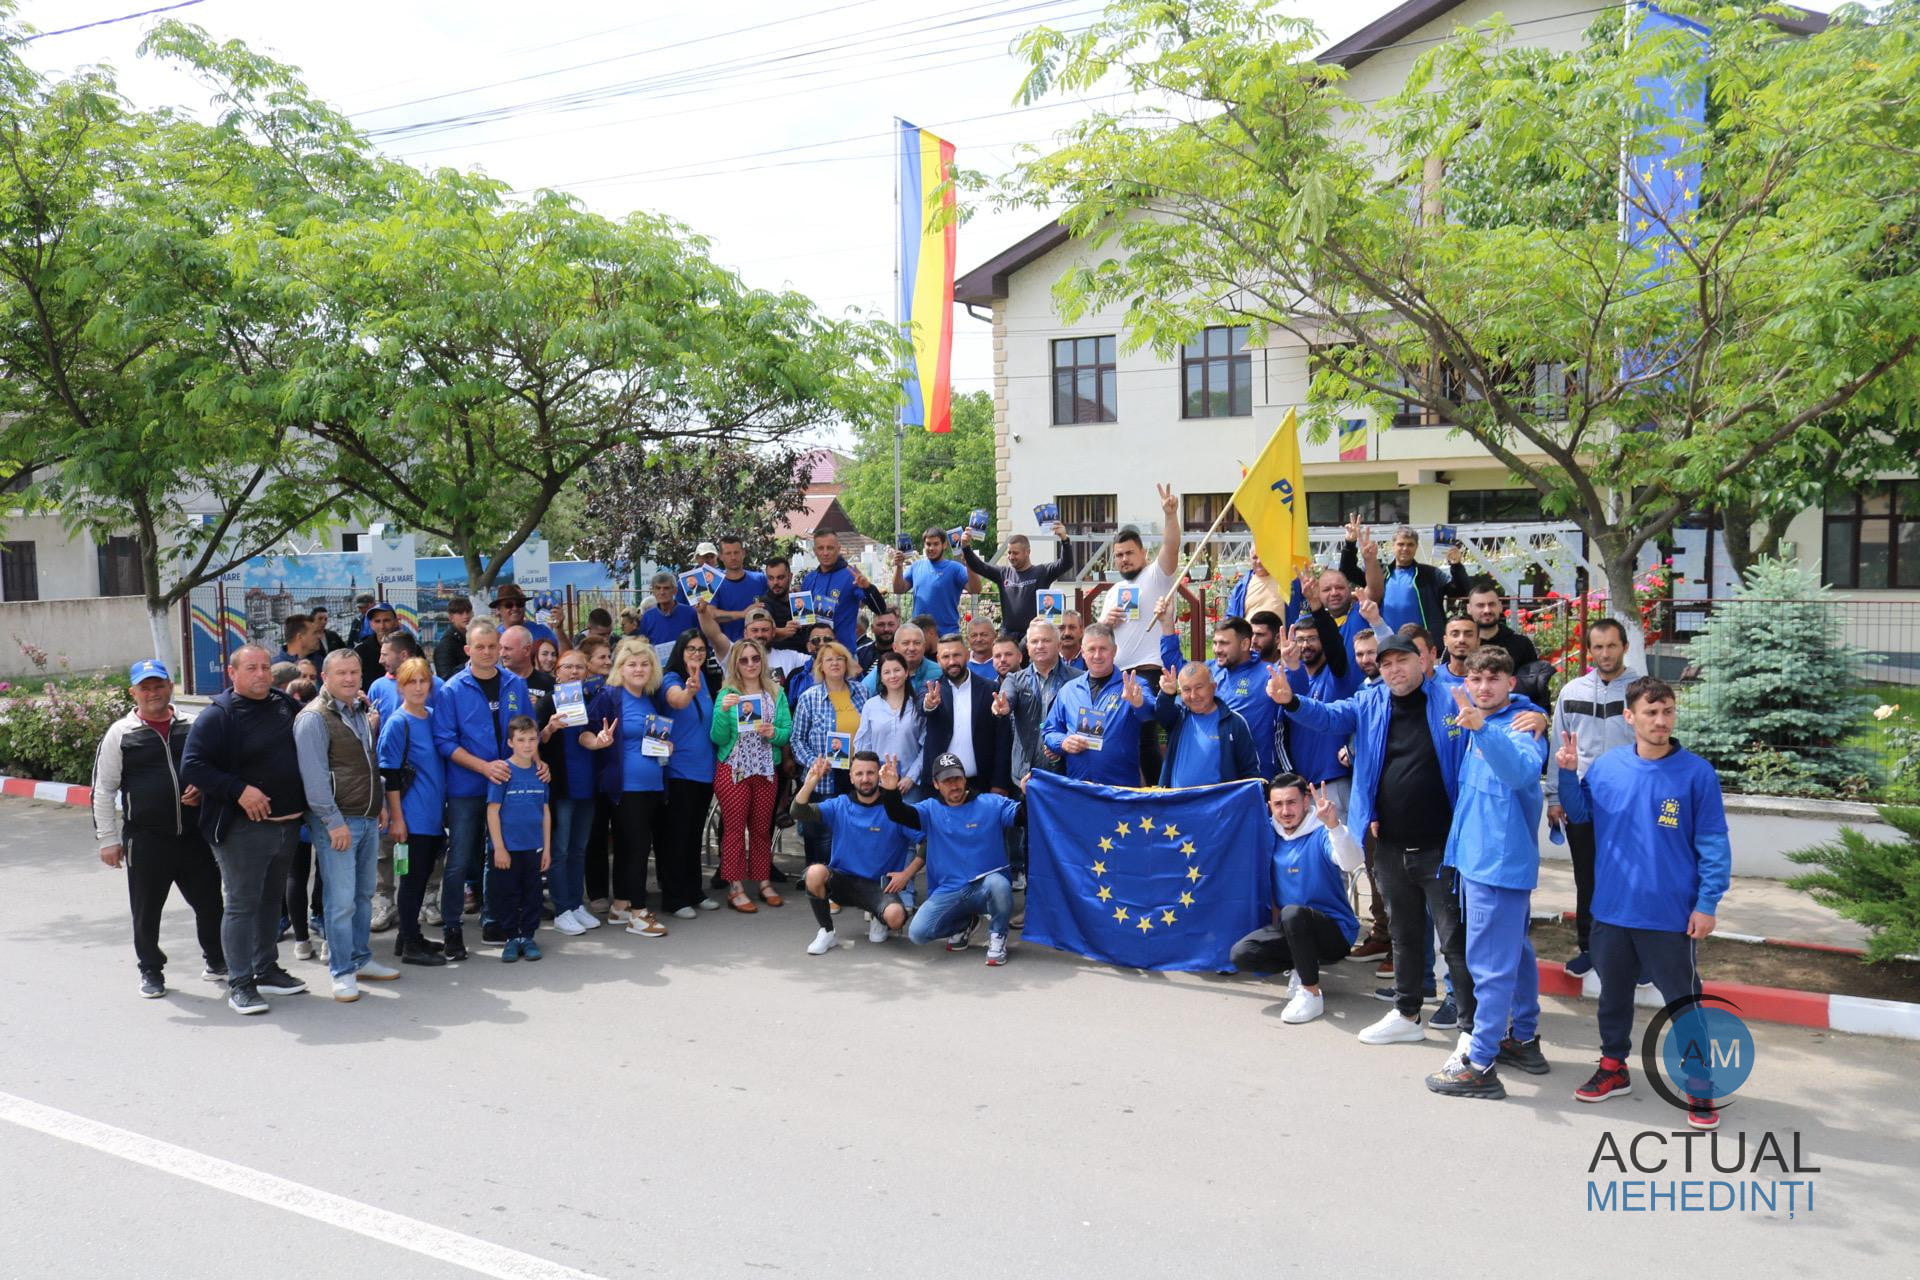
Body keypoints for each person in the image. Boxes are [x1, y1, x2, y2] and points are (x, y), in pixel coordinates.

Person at [1270, 633, 1472, 1047]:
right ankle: (1407, 1013)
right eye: (1386, 664)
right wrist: (1291, 701)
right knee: (1404, 933)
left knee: (1453, 938)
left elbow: (1501, 706)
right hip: (1390, 841)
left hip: (1443, 844)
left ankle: (1471, 1029)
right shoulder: (1369, 702)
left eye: (1402, 661)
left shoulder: (1452, 699)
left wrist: (1536, 717)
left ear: (1423, 660)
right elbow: (1326, 716)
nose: (1394, 670)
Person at [1558, 677, 1730, 1129]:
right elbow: (1580, 816)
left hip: (1670, 914)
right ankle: (1614, 1068)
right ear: (1629, 717)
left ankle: (1699, 1082)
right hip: (1611, 911)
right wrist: (1567, 771)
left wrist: (1707, 903)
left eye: (1667, 711)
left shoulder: (1697, 773)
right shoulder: (1609, 767)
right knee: (1612, 997)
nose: (1660, 720)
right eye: (1651, 713)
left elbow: (1714, 844)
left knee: (1683, 1001)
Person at [1425, 650, 1553, 1100]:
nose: (1482, 687)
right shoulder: (1481, 715)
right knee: (1514, 955)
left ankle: (1479, 1063)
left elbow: (1520, 772)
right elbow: (1415, 673)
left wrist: (1483, 728)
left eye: (1493, 679)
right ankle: (1523, 1037)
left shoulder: (1519, 725)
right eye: (1476, 678)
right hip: (1481, 863)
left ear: (1511, 684)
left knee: (1489, 967)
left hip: (1497, 868)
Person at [181, 645, 311, 1016]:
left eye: (265, 667)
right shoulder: (219, 716)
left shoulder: (283, 704)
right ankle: (240, 982)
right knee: (241, 905)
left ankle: (265, 967)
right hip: (243, 829)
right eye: (251, 668)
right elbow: (193, 766)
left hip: (286, 826)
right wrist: (239, 790)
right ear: (232, 673)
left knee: (271, 901)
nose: (260, 674)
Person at [92, 659, 226, 999]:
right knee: (147, 910)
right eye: (145, 687)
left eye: (158, 685)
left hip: (195, 836)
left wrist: (205, 787)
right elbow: (104, 789)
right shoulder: (121, 734)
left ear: (170, 687)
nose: (152, 693)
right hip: (147, 838)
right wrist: (108, 840)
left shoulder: (193, 725)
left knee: (211, 905)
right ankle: (151, 970)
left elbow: (217, 768)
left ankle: (217, 960)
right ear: (133, 692)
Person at [294, 648, 399, 1003]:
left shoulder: (359, 711)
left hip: (367, 817)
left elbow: (368, 764)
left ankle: (360, 958)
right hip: (338, 822)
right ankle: (342, 971)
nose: (350, 679)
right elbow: (314, 779)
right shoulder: (313, 718)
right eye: (342, 673)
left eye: (354, 672)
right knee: (340, 903)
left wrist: (380, 804)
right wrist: (331, 822)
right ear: (325, 677)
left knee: (363, 895)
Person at [432, 618, 537, 962]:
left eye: (493, 646)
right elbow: (445, 741)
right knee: (460, 857)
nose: (488, 652)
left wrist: (535, 761)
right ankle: (452, 928)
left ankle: (495, 920)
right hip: (467, 786)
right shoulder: (451, 689)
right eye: (480, 646)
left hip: (506, 784)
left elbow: (525, 731)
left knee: (499, 854)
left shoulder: (514, 684)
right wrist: (483, 767)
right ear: (467, 650)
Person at [1546, 618, 1642, 977]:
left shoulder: (1640, 690)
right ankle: (1589, 948)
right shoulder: (1572, 691)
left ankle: (1635, 953)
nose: (1605, 653)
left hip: (1629, 803)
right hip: (1581, 799)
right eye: (1598, 647)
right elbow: (1559, 745)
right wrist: (1555, 797)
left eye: (1611, 646)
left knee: (1631, 878)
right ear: (1589, 651)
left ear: (1624, 647)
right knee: (1587, 878)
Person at [1228, 775, 1363, 1025]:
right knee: (1241, 954)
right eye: (1278, 804)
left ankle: (1311, 992)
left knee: (1293, 913)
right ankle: (1301, 967)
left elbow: (1352, 862)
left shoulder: (1322, 831)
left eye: (1292, 802)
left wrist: (1334, 826)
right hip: (1291, 929)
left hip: (1335, 933)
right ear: (1269, 806)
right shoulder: (1269, 834)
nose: (1285, 811)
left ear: (1306, 801)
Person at [882, 753, 1022, 965]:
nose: (954, 785)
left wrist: (1027, 795)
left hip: (986, 886)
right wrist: (891, 791)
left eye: (957, 778)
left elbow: (1022, 816)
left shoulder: (991, 803)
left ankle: (998, 936)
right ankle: (963, 924)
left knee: (999, 884)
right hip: (949, 889)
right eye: (947, 780)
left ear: (965, 779)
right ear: (936, 784)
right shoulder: (930, 809)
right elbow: (900, 814)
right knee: (918, 933)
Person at [579, 638, 671, 938]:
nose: (639, 669)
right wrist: (598, 741)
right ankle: (639, 914)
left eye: (644, 663)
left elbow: (657, 736)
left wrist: (667, 745)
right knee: (636, 849)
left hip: (652, 785)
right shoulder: (609, 696)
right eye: (632, 664)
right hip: (625, 788)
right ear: (620, 668)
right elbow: (584, 734)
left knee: (631, 848)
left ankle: (620, 905)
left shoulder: (651, 697)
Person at [794, 753, 919, 954]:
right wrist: (811, 782)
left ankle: (879, 917)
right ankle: (827, 932)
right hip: (843, 881)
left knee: (896, 918)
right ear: (851, 777)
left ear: (878, 775)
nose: (865, 779)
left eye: (870, 773)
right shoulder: (840, 804)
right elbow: (798, 812)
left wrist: (907, 874)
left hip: (880, 887)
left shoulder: (896, 811)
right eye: (859, 773)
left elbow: (928, 841)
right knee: (814, 873)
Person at [709, 637, 792, 912]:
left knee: (760, 829)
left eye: (755, 659)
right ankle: (735, 886)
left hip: (766, 770)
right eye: (743, 659)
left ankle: (763, 881)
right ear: (736, 663)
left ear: (762, 661)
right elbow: (718, 737)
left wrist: (774, 733)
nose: (750, 664)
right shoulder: (727, 694)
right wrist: (722, 711)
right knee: (733, 830)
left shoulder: (776, 693)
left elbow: (785, 732)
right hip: (734, 769)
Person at [379, 656, 449, 966]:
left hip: (434, 814)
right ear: (401, 686)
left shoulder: (434, 716)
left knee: (420, 879)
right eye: (412, 681)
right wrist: (397, 818)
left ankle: (408, 935)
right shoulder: (398, 723)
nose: (419, 687)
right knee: (412, 879)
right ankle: (410, 944)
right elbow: (389, 775)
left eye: (423, 681)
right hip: (412, 815)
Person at [1161, 612, 1281, 780]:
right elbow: (1177, 670)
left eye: (1224, 643)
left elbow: (1296, 692)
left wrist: (1293, 666)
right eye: (1215, 643)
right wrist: (1167, 626)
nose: (1217, 649)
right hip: (1214, 776)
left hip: (1253, 777)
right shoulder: (1210, 670)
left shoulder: (1268, 673)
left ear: (1245, 644)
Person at [1042, 624, 1157, 787]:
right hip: (1079, 788)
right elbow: (1049, 731)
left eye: (1103, 649)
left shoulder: (1133, 685)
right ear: (1083, 652)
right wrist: (1063, 742)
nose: (1097, 655)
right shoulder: (1068, 690)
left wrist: (1138, 703)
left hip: (1120, 789)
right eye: (1091, 649)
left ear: (1114, 651)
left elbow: (1152, 712)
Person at [658, 629, 722, 919]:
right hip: (679, 771)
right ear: (680, 652)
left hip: (703, 772)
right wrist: (689, 691)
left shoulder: (706, 680)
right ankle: (674, 897)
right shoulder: (670, 678)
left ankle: (694, 891)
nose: (696, 653)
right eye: (690, 649)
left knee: (694, 835)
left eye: (700, 649)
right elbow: (677, 701)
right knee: (677, 836)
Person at [540, 649, 603, 936]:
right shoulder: (546, 703)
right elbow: (531, 745)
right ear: (557, 672)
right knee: (560, 849)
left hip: (587, 787)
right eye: (568, 667)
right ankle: (562, 908)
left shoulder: (592, 701)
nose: (575, 672)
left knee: (579, 849)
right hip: (561, 788)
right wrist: (548, 729)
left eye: (580, 667)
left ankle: (577, 903)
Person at [789, 640, 868, 867]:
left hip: (855, 773)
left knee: (852, 828)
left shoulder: (862, 692)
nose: (835, 663)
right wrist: (814, 763)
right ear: (820, 666)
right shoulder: (809, 697)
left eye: (840, 658)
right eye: (829, 660)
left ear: (847, 663)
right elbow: (797, 739)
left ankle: (845, 881)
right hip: (823, 777)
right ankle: (820, 883)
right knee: (822, 835)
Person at [485, 715, 551, 963]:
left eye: (532, 739)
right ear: (511, 742)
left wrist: (546, 848)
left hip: (533, 846)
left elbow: (545, 811)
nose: (527, 745)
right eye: (521, 740)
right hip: (507, 849)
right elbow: (492, 811)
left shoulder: (541, 774)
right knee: (507, 894)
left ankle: (528, 936)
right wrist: (499, 848)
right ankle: (511, 937)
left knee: (533, 894)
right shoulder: (503, 770)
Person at [921, 634, 1013, 795]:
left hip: (982, 784)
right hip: (940, 787)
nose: (951, 662)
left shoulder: (990, 689)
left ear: (967, 654)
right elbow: (923, 705)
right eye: (946, 656)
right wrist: (929, 704)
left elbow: (1002, 740)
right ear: (938, 659)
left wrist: (1000, 783)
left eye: (956, 655)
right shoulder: (930, 689)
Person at [959, 520, 1075, 639]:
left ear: (1027, 552)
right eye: (1009, 553)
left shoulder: (1042, 572)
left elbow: (1066, 563)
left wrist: (1064, 539)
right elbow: (979, 566)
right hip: (1008, 636)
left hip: (1033, 636)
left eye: (1015, 553)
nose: (1011, 557)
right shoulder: (1003, 573)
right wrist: (965, 546)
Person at [1152, 662, 1260, 787]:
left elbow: (1250, 773)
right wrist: (1166, 694)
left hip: (1217, 805)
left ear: (1213, 687)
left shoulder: (1234, 722)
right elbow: (1162, 712)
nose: (1193, 695)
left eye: (1199, 687)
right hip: (1178, 803)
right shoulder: (1177, 718)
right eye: (1186, 689)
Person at [994, 619, 1073, 785]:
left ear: (1059, 645)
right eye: (1034, 641)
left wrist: (1062, 744)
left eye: (1046, 640)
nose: (1040, 646)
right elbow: (1006, 697)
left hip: (1066, 773)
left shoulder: (1078, 679)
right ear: (1028, 648)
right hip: (1025, 775)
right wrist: (1003, 706)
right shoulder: (1014, 679)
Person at [1367, 525, 1469, 634]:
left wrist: (1456, 566)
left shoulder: (1431, 573)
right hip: (1389, 642)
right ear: (1393, 546)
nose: (1405, 548)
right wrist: (1350, 544)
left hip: (1423, 644)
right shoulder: (1381, 574)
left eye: (1410, 544)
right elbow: (1351, 572)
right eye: (1401, 544)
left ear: (1416, 547)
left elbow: (1461, 591)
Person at [852, 651, 926, 792]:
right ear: (881, 677)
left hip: (910, 784)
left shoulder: (918, 706)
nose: (892, 676)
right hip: (877, 784)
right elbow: (863, 745)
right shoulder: (871, 706)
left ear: (906, 673)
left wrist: (911, 777)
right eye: (887, 672)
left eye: (897, 670)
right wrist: (869, 777)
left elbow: (926, 747)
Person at [803, 530, 885, 654]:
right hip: (816, 655)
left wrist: (868, 587)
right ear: (814, 551)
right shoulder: (809, 579)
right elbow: (803, 620)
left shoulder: (851, 575)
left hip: (844, 655)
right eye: (821, 548)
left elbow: (880, 610)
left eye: (830, 548)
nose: (825, 553)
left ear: (839, 549)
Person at [892, 526, 976, 637]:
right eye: (928, 544)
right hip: (919, 635)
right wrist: (898, 567)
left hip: (947, 635)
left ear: (944, 545)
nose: (931, 548)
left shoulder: (955, 568)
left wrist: (970, 563)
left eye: (936, 544)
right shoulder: (916, 566)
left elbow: (975, 589)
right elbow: (898, 589)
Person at [1466, 578, 1540, 670]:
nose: (1487, 610)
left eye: (1492, 604)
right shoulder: (1462, 645)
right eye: (1480, 605)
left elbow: (1533, 681)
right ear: (1469, 609)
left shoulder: (1521, 644)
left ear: (1500, 607)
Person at [709, 535, 770, 642]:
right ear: (721, 557)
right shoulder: (714, 583)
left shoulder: (760, 579)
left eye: (736, 552)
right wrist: (742, 614)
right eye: (728, 553)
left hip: (760, 645)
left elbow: (775, 603)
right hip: (729, 649)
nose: (733, 557)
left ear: (743, 553)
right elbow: (711, 615)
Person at [368, 631, 436, 724]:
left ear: (404, 655)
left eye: (385, 655)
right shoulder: (377, 687)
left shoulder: (436, 685)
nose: (380, 660)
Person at [859, 621, 939, 696]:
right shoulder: (882, 671)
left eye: (917, 643)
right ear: (895, 647)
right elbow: (861, 695)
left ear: (924, 646)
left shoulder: (938, 672)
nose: (911, 648)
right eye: (905, 643)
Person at [638, 572, 698, 655]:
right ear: (653, 591)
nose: (662, 592)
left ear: (675, 591)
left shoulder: (690, 613)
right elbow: (642, 647)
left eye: (666, 588)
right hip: (657, 666)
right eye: (658, 588)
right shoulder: (647, 617)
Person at [1225, 551, 1287, 624]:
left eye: (1263, 556)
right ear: (1250, 559)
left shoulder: (1288, 581)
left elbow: (1303, 606)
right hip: (1249, 634)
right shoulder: (1241, 587)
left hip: (1280, 635)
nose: (1259, 561)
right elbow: (1231, 617)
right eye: (1255, 557)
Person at [491, 583, 558, 650]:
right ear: (498, 609)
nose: (515, 608)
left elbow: (563, 655)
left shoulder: (542, 632)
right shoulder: (494, 638)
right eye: (509, 605)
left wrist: (559, 629)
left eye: (519, 604)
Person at [353, 601, 401, 688]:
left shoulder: (410, 647)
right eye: (377, 621)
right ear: (371, 624)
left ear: (395, 622)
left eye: (386, 620)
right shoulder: (361, 651)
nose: (382, 626)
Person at [500, 623, 556, 694]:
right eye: (500, 648)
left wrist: (540, 703)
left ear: (527, 650)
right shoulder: (494, 683)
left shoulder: (550, 684)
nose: (502, 654)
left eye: (508, 649)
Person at [433, 597, 472, 680]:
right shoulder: (445, 645)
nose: (466, 616)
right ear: (451, 618)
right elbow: (445, 677)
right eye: (460, 613)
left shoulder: (471, 637)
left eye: (468, 612)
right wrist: (468, 665)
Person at [854, 605, 899, 676]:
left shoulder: (905, 653)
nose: (886, 629)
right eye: (881, 625)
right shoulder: (859, 653)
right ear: (872, 628)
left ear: (898, 626)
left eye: (891, 624)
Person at [1438, 614, 1480, 685]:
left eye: (1469, 635)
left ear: (1478, 641)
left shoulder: (1489, 679)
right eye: (1455, 634)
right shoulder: (1431, 677)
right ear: (1445, 640)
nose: (1462, 640)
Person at [964, 618, 1000, 683]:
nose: (979, 639)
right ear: (967, 639)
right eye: (974, 635)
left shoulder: (1003, 662)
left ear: (995, 636)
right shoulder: (962, 665)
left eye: (984, 635)